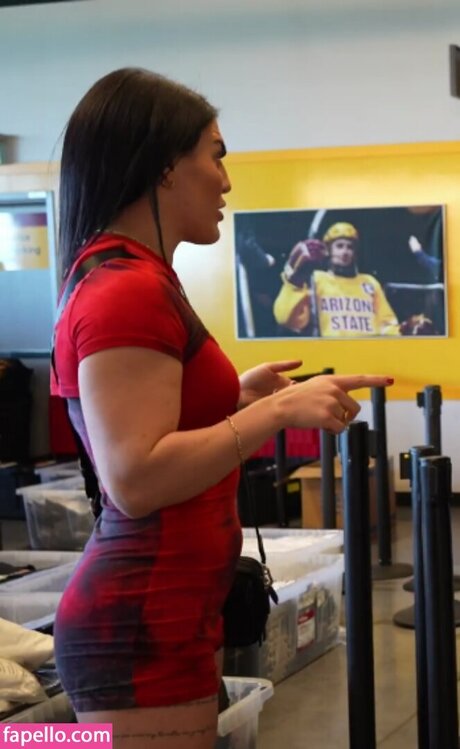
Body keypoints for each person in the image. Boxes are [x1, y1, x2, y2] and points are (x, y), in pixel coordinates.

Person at [51, 67, 393, 749]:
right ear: (164, 166)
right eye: (216, 156)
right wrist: (273, 415)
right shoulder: (126, 289)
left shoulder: (136, 277)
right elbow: (135, 477)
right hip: (145, 618)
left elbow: (148, 424)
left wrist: (233, 397)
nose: (227, 180)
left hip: (172, 609)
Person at [273, 222, 400, 337]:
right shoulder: (315, 279)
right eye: (339, 246)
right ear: (328, 250)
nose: (345, 252)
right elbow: (286, 320)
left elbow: (387, 325)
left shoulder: (369, 282)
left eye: (350, 247)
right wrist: (296, 281)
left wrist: (402, 331)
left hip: (368, 351)